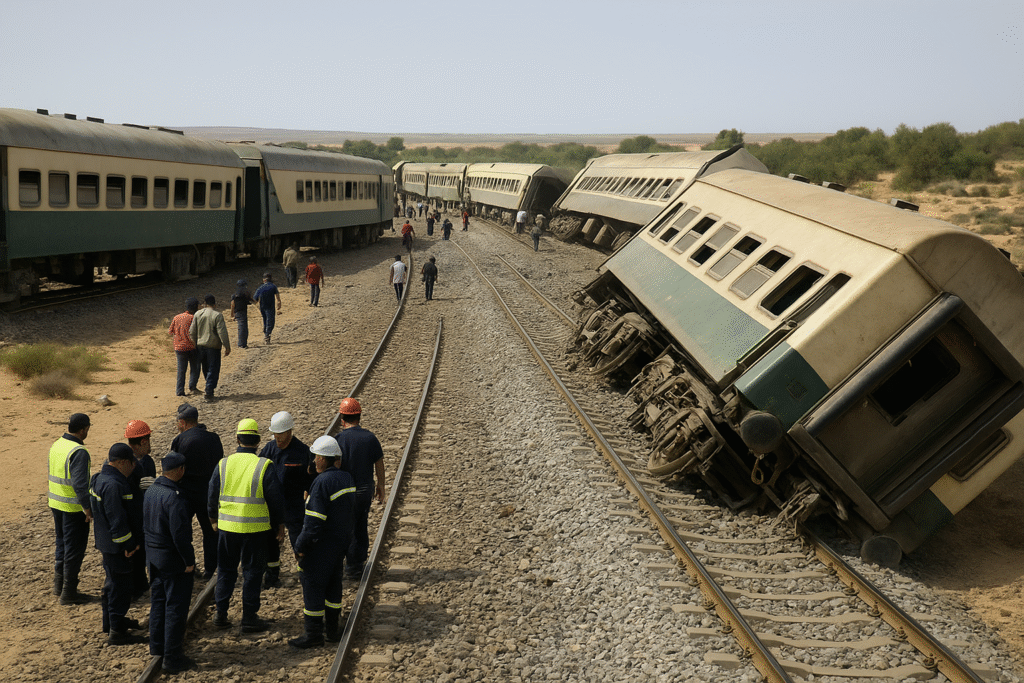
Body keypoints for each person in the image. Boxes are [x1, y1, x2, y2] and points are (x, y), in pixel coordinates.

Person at [207, 419, 286, 632]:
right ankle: (249, 617)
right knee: (252, 572)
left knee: (225, 571)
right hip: (255, 530)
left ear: (237, 439)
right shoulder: (263, 465)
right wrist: (280, 524)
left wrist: (213, 519)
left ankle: (220, 614)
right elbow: (275, 499)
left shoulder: (223, 464)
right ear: (259, 441)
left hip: (227, 529)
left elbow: (212, 494)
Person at [289, 436, 356, 648]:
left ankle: (313, 634)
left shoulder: (322, 483)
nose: (315, 461)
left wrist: (300, 547)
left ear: (323, 459)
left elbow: (313, 523)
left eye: (317, 457)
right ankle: (333, 630)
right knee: (333, 588)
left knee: (313, 589)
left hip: (320, 547)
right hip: (339, 545)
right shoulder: (347, 478)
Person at [144, 451, 197, 674]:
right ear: (181, 470)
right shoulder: (174, 497)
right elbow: (180, 536)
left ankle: (157, 645)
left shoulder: (151, 491)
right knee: (176, 606)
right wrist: (189, 561)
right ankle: (172, 657)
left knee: (158, 601)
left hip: (153, 558)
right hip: (172, 560)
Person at [90, 443, 147, 645]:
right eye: (131, 463)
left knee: (111, 584)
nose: (133, 467)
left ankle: (112, 622)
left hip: (106, 543)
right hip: (118, 547)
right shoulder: (115, 485)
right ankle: (117, 632)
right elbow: (118, 521)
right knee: (120, 587)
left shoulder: (98, 478)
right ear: (122, 463)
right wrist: (129, 545)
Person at [259, 411, 313, 588]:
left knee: (298, 541)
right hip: (273, 505)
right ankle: (272, 577)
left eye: (280, 434)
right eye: (274, 433)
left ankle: (306, 572)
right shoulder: (269, 449)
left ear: (290, 431)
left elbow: (311, 480)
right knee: (271, 542)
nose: (277, 438)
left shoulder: (302, 451)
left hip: (294, 505)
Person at [170, 403, 223, 580]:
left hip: (186, 494)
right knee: (210, 531)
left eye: (177, 422)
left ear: (183, 422)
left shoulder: (180, 440)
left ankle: (188, 566)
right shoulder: (214, 438)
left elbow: (174, 469)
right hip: (208, 494)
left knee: (183, 532)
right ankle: (211, 570)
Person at [334, 398, 385, 581]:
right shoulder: (370, 438)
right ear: (359, 416)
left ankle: (343, 562)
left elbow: (335, 466)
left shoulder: (338, 439)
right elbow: (379, 462)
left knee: (343, 526)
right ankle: (355, 566)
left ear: (342, 418)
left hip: (344, 493)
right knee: (360, 526)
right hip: (364, 491)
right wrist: (381, 485)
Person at [49, 413, 95, 605]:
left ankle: (58, 585)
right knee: (74, 550)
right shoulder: (78, 451)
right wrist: (87, 508)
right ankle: (68, 593)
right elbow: (80, 484)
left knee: (61, 544)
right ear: (83, 429)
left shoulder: (58, 444)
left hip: (56, 504)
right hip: (73, 508)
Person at [125, 420, 157, 600]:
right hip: (139, 514)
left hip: (127, 513)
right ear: (143, 441)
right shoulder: (145, 463)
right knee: (139, 550)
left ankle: (139, 583)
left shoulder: (121, 459)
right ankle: (139, 585)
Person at [189, 294, 231, 400]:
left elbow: (192, 331)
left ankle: (208, 386)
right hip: (213, 346)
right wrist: (227, 346)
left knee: (205, 368)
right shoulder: (217, 315)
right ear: (215, 304)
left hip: (200, 345)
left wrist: (194, 343)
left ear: (204, 304)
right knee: (213, 368)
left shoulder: (198, 314)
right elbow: (222, 332)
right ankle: (209, 390)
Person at [168, 297, 200, 396]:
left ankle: (179, 390)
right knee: (195, 368)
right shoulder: (194, 318)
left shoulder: (177, 317)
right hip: (192, 347)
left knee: (181, 370)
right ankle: (192, 387)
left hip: (179, 348)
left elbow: (170, 332)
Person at [253, 272, 282, 345]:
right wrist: (279, 303)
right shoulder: (273, 286)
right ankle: (267, 334)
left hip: (262, 306)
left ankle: (266, 331)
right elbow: (277, 297)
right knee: (271, 321)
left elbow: (254, 299)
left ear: (264, 280)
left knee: (265, 319)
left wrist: (257, 306)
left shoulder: (260, 287)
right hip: (270, 306)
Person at [230, 279, 254, 349]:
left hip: (237, 312)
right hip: (243, 311)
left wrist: (232, 314)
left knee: (242, 327)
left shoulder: (234, 294)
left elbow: (232, 305)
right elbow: (251, 300)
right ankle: (241, 344)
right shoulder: (245, 293)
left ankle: (243, 343)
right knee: (243, 328)